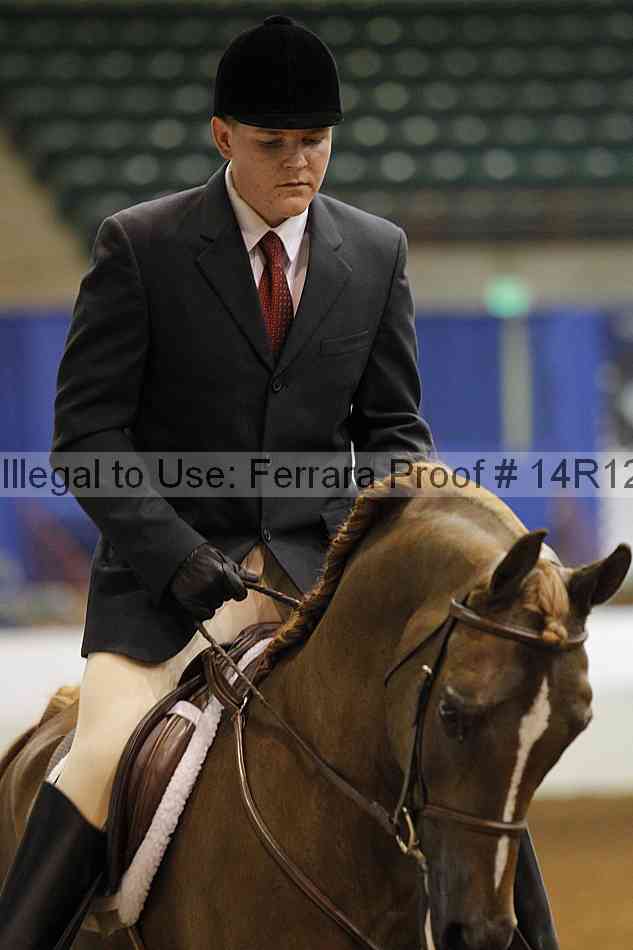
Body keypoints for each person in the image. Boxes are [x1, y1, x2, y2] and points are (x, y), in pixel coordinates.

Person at [0, 14, 435, 949]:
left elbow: (394, 432)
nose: (299, 164)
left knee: (447, 755)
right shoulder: (141, 245)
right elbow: (86, 436)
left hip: (319, 584)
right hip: (165, 596)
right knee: (100, 759)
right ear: (222, 136)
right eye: (273, 143)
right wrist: (175, 555)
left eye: (314, 141)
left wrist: (377, 541)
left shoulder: (377, 252)